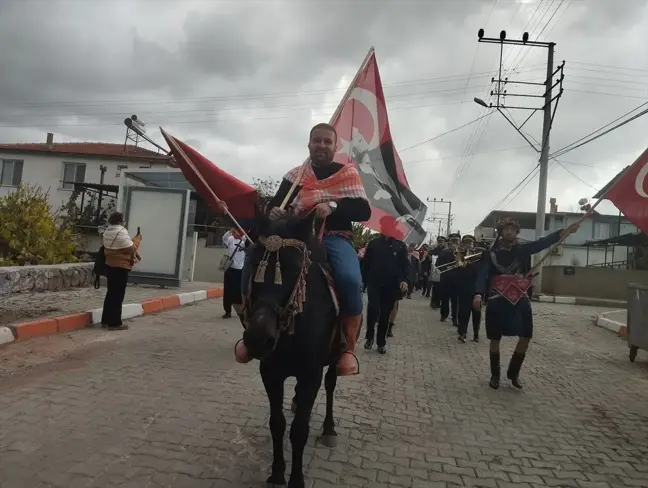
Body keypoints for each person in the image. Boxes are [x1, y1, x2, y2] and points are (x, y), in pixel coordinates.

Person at [237, 122, 372, 375]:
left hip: (334, 237)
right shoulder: (294, 175)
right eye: (316, 140)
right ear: (309, 144)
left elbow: (363, 211)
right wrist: (275, 211)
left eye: (327, 141)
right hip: (294, 237)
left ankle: (346, 348)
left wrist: (333, 207)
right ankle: (250, 330)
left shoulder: (347, 174)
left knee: (350, 279)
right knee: (250, 265)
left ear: (335, 146)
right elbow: (276, 205)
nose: (321, 145)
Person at [474, 217, 580, 390]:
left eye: (512, 229)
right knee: (495, 338)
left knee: (526, 336)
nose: (509, 232)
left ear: (517, 232)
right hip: (497, 298)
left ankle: (513, 372)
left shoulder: (523, 249)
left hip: (519, 297)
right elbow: (482, 274)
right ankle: (495, 374)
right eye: (505, 229)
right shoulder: (490, 253)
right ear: (501, 232)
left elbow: (543, 243)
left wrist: (563, 232)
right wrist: (478, 294)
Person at [361, 217, 409, 354]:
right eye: (384, 226)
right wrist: (363, 281)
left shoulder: (400, 246)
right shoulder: (374, 244)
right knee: (373, 310)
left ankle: (381, 342)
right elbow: (366, 265)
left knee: (385, 315)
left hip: (391, 285)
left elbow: (405, 266)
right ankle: (369, 338)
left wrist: (404, 280)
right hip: (374, 283)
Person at [101, 212, 142, 330]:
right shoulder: (120, 231)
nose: (124, 223)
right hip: (121, 267)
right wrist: (137, 238)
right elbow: (131, 248)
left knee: (110, 294)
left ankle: (105, 320)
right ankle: (114, 323)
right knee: (118, 295)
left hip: (110, 265)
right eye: (123, 221)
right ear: (119, 222)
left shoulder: (107, 231)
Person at [455, 234, 483, 343]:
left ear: (473, 244)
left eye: (470, 243)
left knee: (476, 313)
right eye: (466, 243)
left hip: (476, 288)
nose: (468, 245)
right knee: (463, 312)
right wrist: (463, 256)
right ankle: (463, 333)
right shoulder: (459, 254)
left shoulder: (479, 255)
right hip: (464, 287)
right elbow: (459, 265)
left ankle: (476, 335)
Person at [436, 233, 461, 326]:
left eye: (456, 241)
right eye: (453, 240)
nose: (454, 242)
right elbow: (437, 265)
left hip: (457, 280)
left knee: (456, 301)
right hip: (446, 279)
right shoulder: (443, 252)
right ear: (449, 242)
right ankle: (444, 315)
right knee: (445, 299)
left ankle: (455, 318)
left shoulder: (462, 252)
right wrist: (445, 269)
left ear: (459, 242)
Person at [221, 228, 246, 319]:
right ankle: (227, 311)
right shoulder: (231, 239)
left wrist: (242, 235)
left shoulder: (244, 240)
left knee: (239, 291)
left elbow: (248, 243)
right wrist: (230, 231)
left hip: (241, 270)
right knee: (227, 291)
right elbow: (224, 239)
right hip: (230, 268)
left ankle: (241, 311)